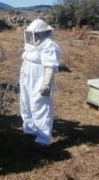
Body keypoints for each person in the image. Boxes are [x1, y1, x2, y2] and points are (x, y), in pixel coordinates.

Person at [19, 19, 61, 147]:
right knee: (25, 102)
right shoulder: (32, 45)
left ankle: (44, 138)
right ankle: (30, 129)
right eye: (32, 33)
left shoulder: (49, 45)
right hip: (27, 76)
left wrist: (46, 84)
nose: (34, 36)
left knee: (40, 105)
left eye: (36, 33)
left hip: (39, 77)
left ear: (42, 33)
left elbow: (50, 66)